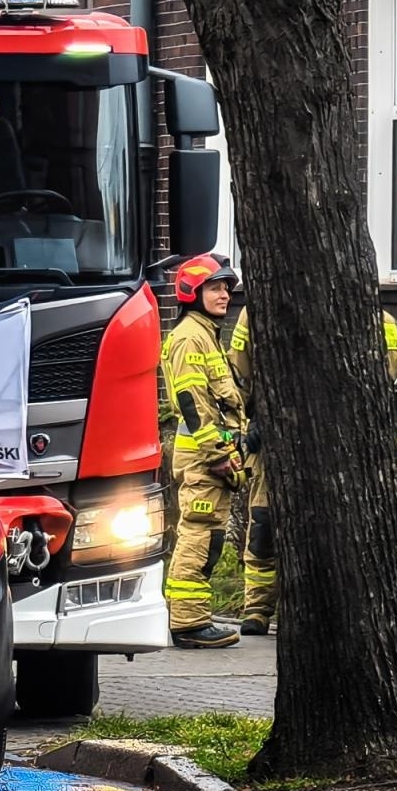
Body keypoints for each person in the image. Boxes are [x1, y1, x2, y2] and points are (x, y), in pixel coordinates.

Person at [228, 304, 397, 636]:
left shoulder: (379, 319)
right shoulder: (255, 313)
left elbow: (390, 379)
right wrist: (253, 422)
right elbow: (239, 375)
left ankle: (323, 609)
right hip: (274, 442)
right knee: (264, 525)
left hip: (337, 446)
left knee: (329, 528)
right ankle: (257, 608)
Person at [159, 252, 246, 649]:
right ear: (192, 291)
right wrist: (219, 453)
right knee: (198, 534)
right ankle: (187, 623)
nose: (225, 294)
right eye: (215, 287)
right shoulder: (190, 337)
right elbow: (193, 403)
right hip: (204, 459)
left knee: (207, 537)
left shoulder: (205, 334)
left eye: (227, 287)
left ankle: (192, 617)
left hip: (212, 456)